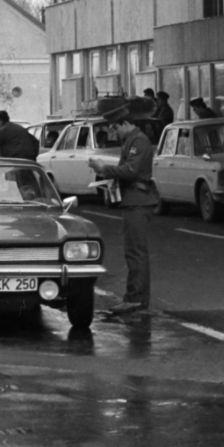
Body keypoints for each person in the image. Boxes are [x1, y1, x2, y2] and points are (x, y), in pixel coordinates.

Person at [90, 107, 157, 319]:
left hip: (138, 199)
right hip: (133, 199)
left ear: (126, 123)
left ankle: (136, 298)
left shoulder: (138, 141)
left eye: (115, 127)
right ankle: (134, 296)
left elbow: (131, 171)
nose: (114, 132)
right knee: (133, 250)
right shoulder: (131, 140)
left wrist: (104, 168)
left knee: (136, 251)